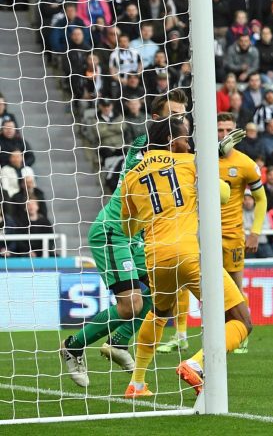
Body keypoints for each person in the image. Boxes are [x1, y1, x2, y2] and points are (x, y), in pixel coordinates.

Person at [59, 91, 188, 387]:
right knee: (130, 304)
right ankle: (73, 345)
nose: (182, 121)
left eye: (183, 115)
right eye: (175, 115)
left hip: (137, 236)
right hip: (115, 231)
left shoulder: (175, 150)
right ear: (157, 120)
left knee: (159, 294)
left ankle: (118, 342)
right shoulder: (145, 147)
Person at [121, 115, 251, 398]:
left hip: (155, 257)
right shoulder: (187, 163)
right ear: (171, 141)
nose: (189, 142)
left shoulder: (131, 175)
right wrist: (208, 164)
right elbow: (224, 195)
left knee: (158, 313)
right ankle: (195, 363)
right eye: (185, 137)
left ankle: (137, 383)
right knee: (241, 319)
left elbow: (127, 226)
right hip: (190, 253)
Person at [157, 113, 266, 356]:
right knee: (184, 283)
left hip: (230, 234)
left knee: (235, 287)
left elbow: (261, 198)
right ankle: (181, 336)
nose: (223, 134)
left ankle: (239, 333)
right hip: (197, 231)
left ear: (234, 131)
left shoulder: (246, 163)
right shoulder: (197, 160)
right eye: (219, 129)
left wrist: (255, 232)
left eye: (228, 129)